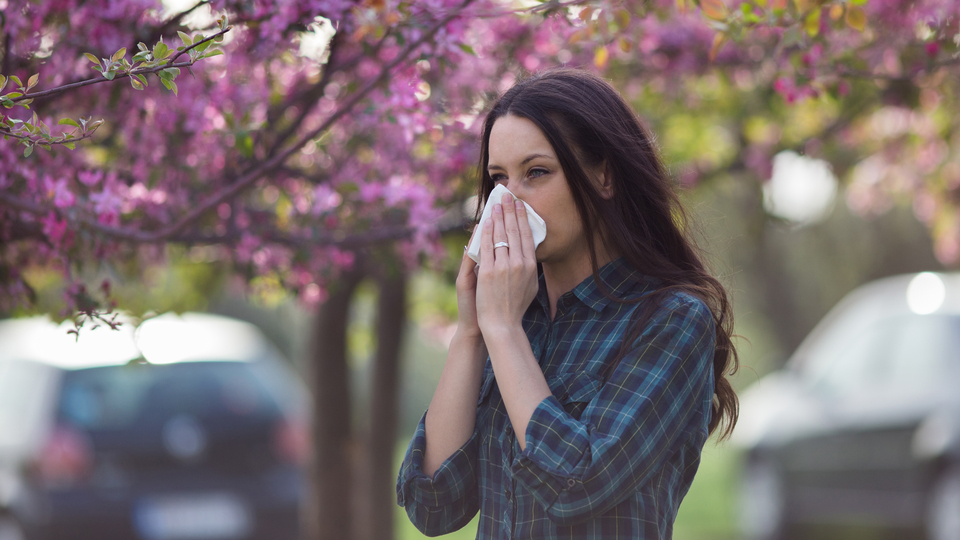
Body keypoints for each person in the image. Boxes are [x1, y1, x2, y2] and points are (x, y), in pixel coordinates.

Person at [396, 68, 738, 539]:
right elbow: (432, 505)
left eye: (536, 172)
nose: (509, 203)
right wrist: (473, 332)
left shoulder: (670, 320)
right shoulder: (514, 319)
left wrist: (503, 333)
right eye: (499, 180)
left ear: (603, 176)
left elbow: (579, 486)